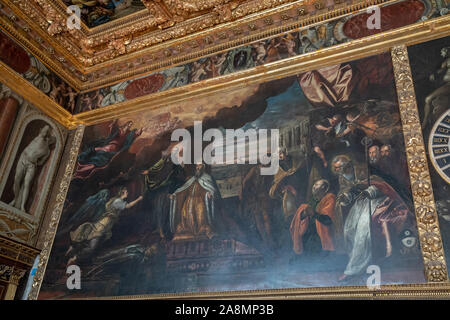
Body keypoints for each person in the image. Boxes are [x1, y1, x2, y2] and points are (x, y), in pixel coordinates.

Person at [331, 155, 414, 281]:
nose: (338, 171)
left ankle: (353, 269)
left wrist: (370, 191)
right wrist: (346, 197)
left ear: (347, 165)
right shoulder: (342, 178)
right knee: (348, 230)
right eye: (336, 169)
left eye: (340, 168)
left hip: (377, 202)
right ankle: (357, 260)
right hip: (360, 204)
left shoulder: (362, 171)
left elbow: (380, 185)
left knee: (362, 232)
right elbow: (347, 193)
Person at [66, 187, 143, 266]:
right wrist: (139, 199)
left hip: (105, 225)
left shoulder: (115, 200)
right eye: (126, 192)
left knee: (92, 240)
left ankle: (73, 250)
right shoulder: (118, 201)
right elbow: (128, 206)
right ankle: (75, 258)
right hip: (103, 225)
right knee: (92, 246)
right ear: (122, 192)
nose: (128, 193)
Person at [74, 119, 143, 179]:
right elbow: (112, 132)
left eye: (131, 125)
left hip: (111, 153)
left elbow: (131, 138)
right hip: (105, 148)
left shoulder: (128, 134)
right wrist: (114, 124)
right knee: (93, 163)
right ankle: (77, 172)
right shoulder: (118, 130)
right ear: (126, 123)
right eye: (129, 124)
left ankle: (78, 173)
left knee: (96, 165)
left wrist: (137, 133)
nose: (129, 125)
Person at [169, 164, 220, 240]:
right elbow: (183, 190)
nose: (197, 167)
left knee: (200, 214)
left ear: (203, 167)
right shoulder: (191, 179)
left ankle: (202, 231)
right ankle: (187, 231)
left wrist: (209, 193)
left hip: (200, 201)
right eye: (196, 166)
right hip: (188, 202)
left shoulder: (207, 178)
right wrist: (175, 195)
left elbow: (211, 189)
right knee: (184, 214)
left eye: (199, 166)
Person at [10, 125, 55, 212]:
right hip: (23, 159)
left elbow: (41, 162)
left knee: (27, 184)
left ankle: (22, 206)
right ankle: (15, 199)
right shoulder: (38, 137)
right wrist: (46, 128)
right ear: (41, 131)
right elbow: (44, 130)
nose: (45, 133)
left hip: (31, 165)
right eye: (44, 131)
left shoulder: (47, 150)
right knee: (17, 180)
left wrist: (34, 162)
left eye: (47, 133)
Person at [290, 179, 336, 256]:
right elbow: (303, 216)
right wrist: (302, 214)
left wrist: (313, 213)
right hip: (310, 237)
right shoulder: (313, 200)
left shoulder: (330, 198)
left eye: (317, 185)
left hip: (321, 239)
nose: (314, 186)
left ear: (324, 187)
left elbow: (328, 220)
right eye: (314, 184)